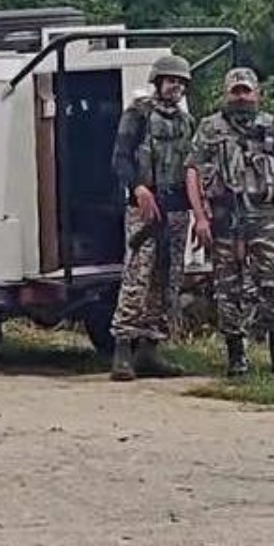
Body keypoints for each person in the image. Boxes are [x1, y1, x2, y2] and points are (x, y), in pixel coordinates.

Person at [186, 67, 274, 376]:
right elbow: (193, 171)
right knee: (227, 287)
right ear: (226, 94)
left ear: (257, 94)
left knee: (271, 283)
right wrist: (200, 217)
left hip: (263, 215)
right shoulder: (210, 128)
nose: (241, 97)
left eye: (246, 91)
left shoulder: (273, 128)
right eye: (235, 91)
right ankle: (236, 357)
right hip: (224, 215)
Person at [108, 54, 196, 381]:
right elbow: (120, 158)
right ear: (158, 82)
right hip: (145, 207)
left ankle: (151, 348)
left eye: (181, 83)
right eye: (171, 81)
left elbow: (193, 167)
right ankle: (122, 349)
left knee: (168, 279)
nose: (176, 87)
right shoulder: (138, 114)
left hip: (176, 209)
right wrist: (138, 188)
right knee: (137, 276)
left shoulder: (186, 122)